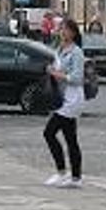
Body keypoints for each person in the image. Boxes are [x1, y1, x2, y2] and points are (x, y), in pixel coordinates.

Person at [44, 18, 85, 188]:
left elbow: (77, 78)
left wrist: (57, 75)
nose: (63, 32)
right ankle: (73, 176)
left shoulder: (76, 52)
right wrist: (52, 70)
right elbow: (57, 68)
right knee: (70, 138)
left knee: (49, 133)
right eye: (61, 29)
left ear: (73, 33)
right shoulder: (60, 50)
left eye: (66, 30)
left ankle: (65, 173)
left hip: (72, 98)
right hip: (62, 97)